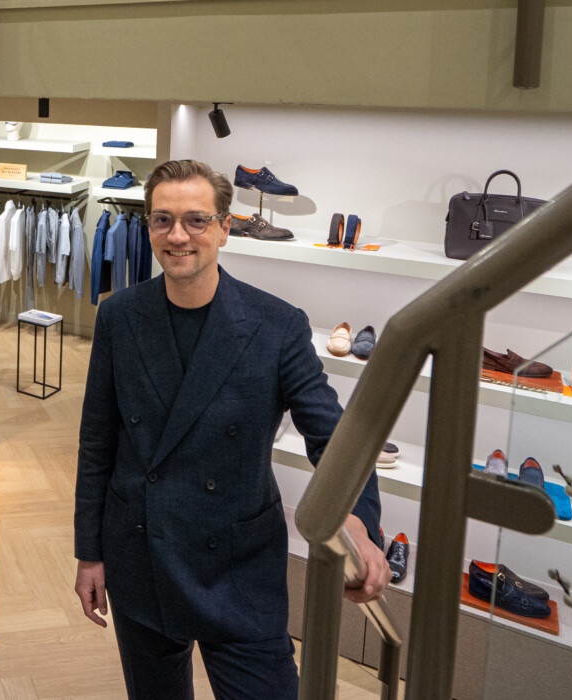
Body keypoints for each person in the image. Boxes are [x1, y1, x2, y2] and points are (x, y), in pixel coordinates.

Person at [72, 159, 387, 700]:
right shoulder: (119, 317)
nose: (178, 236)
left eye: (196, 220)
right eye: (162, 220)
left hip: (238, 567)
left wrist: (356, 520)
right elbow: (98, 442)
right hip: (141, 553)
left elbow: (333, 438)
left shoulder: (276, 325)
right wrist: (90, 551)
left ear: (224, 227)